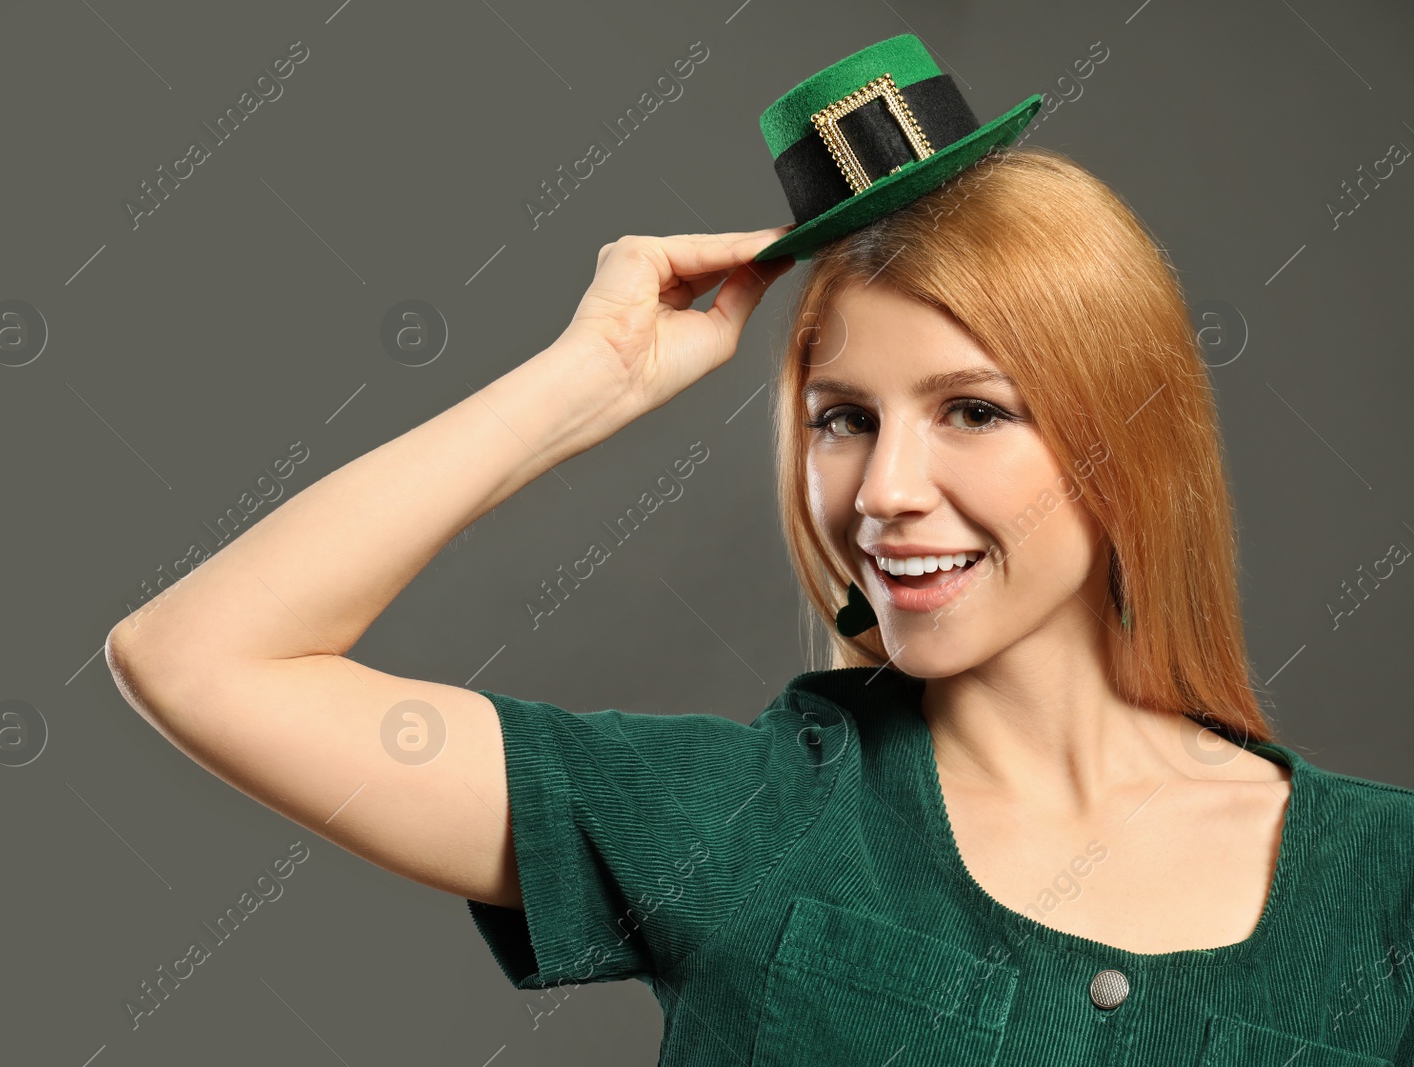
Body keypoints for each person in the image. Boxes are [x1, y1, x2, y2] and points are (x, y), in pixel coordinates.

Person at [104, 36, 1414, 1067]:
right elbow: (200, 660)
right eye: (842, 419)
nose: (885, 491)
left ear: (1128, 437)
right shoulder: (733, 821)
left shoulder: (1386, 883)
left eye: (971, 410)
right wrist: (586, 381)